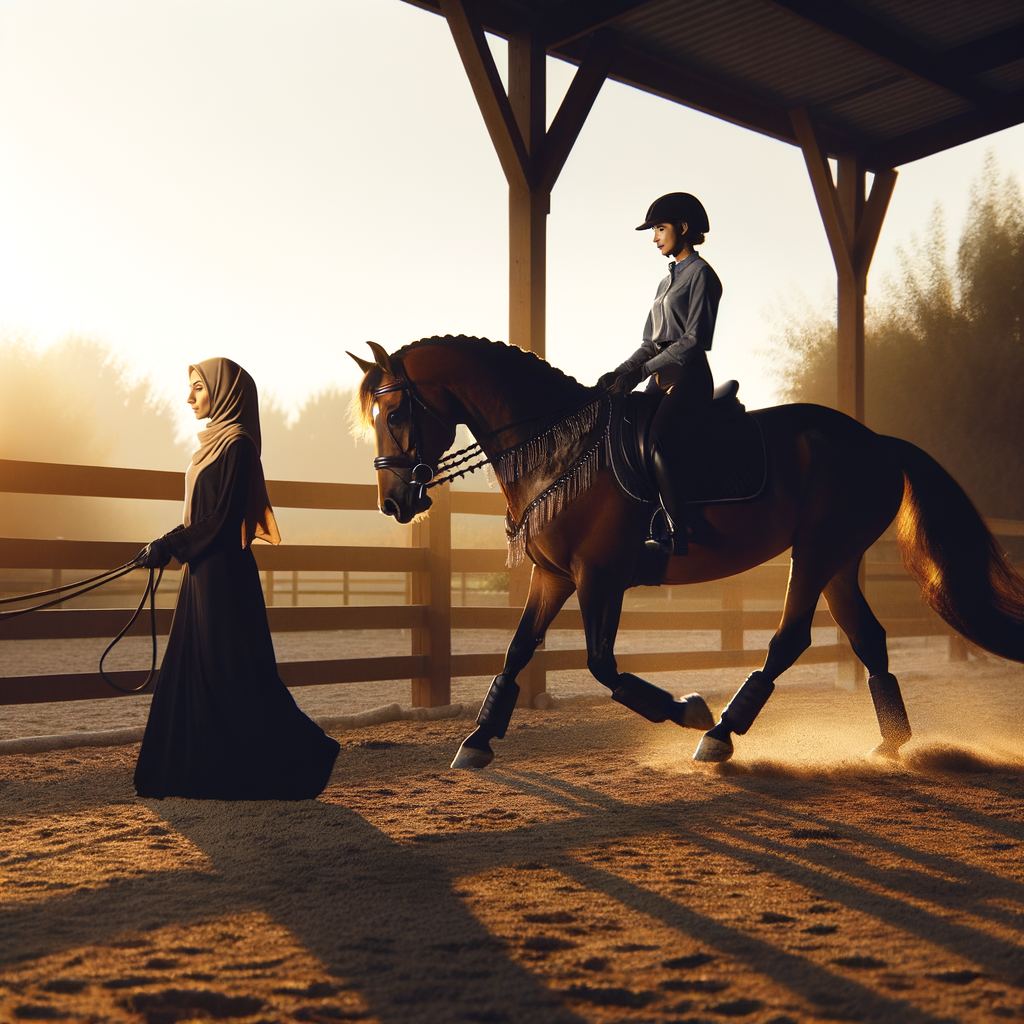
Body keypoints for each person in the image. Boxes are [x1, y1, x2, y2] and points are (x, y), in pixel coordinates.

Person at [133, 358, 340, 800]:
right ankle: (190, 775)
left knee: (235, 672)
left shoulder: (239, 444)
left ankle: (308, 756)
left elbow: (223, 520)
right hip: (200, 576)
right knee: (192, 670)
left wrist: (168, 544)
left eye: (198, 389)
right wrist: (170, 548)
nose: (189, 397)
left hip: (225, 578)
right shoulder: (210, 445)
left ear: (224, 393)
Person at [597, 192, 723, 554]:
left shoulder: (702, 275)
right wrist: (618, 373)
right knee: (623, 427)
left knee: (657, 443)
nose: (654, 237)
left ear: (683, 228)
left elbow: (694, 340)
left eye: (660, 228)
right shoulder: (664, 283)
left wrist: (642, 372)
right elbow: (649, 343)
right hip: (660, 378)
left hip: (688, 377)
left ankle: (677, 526)